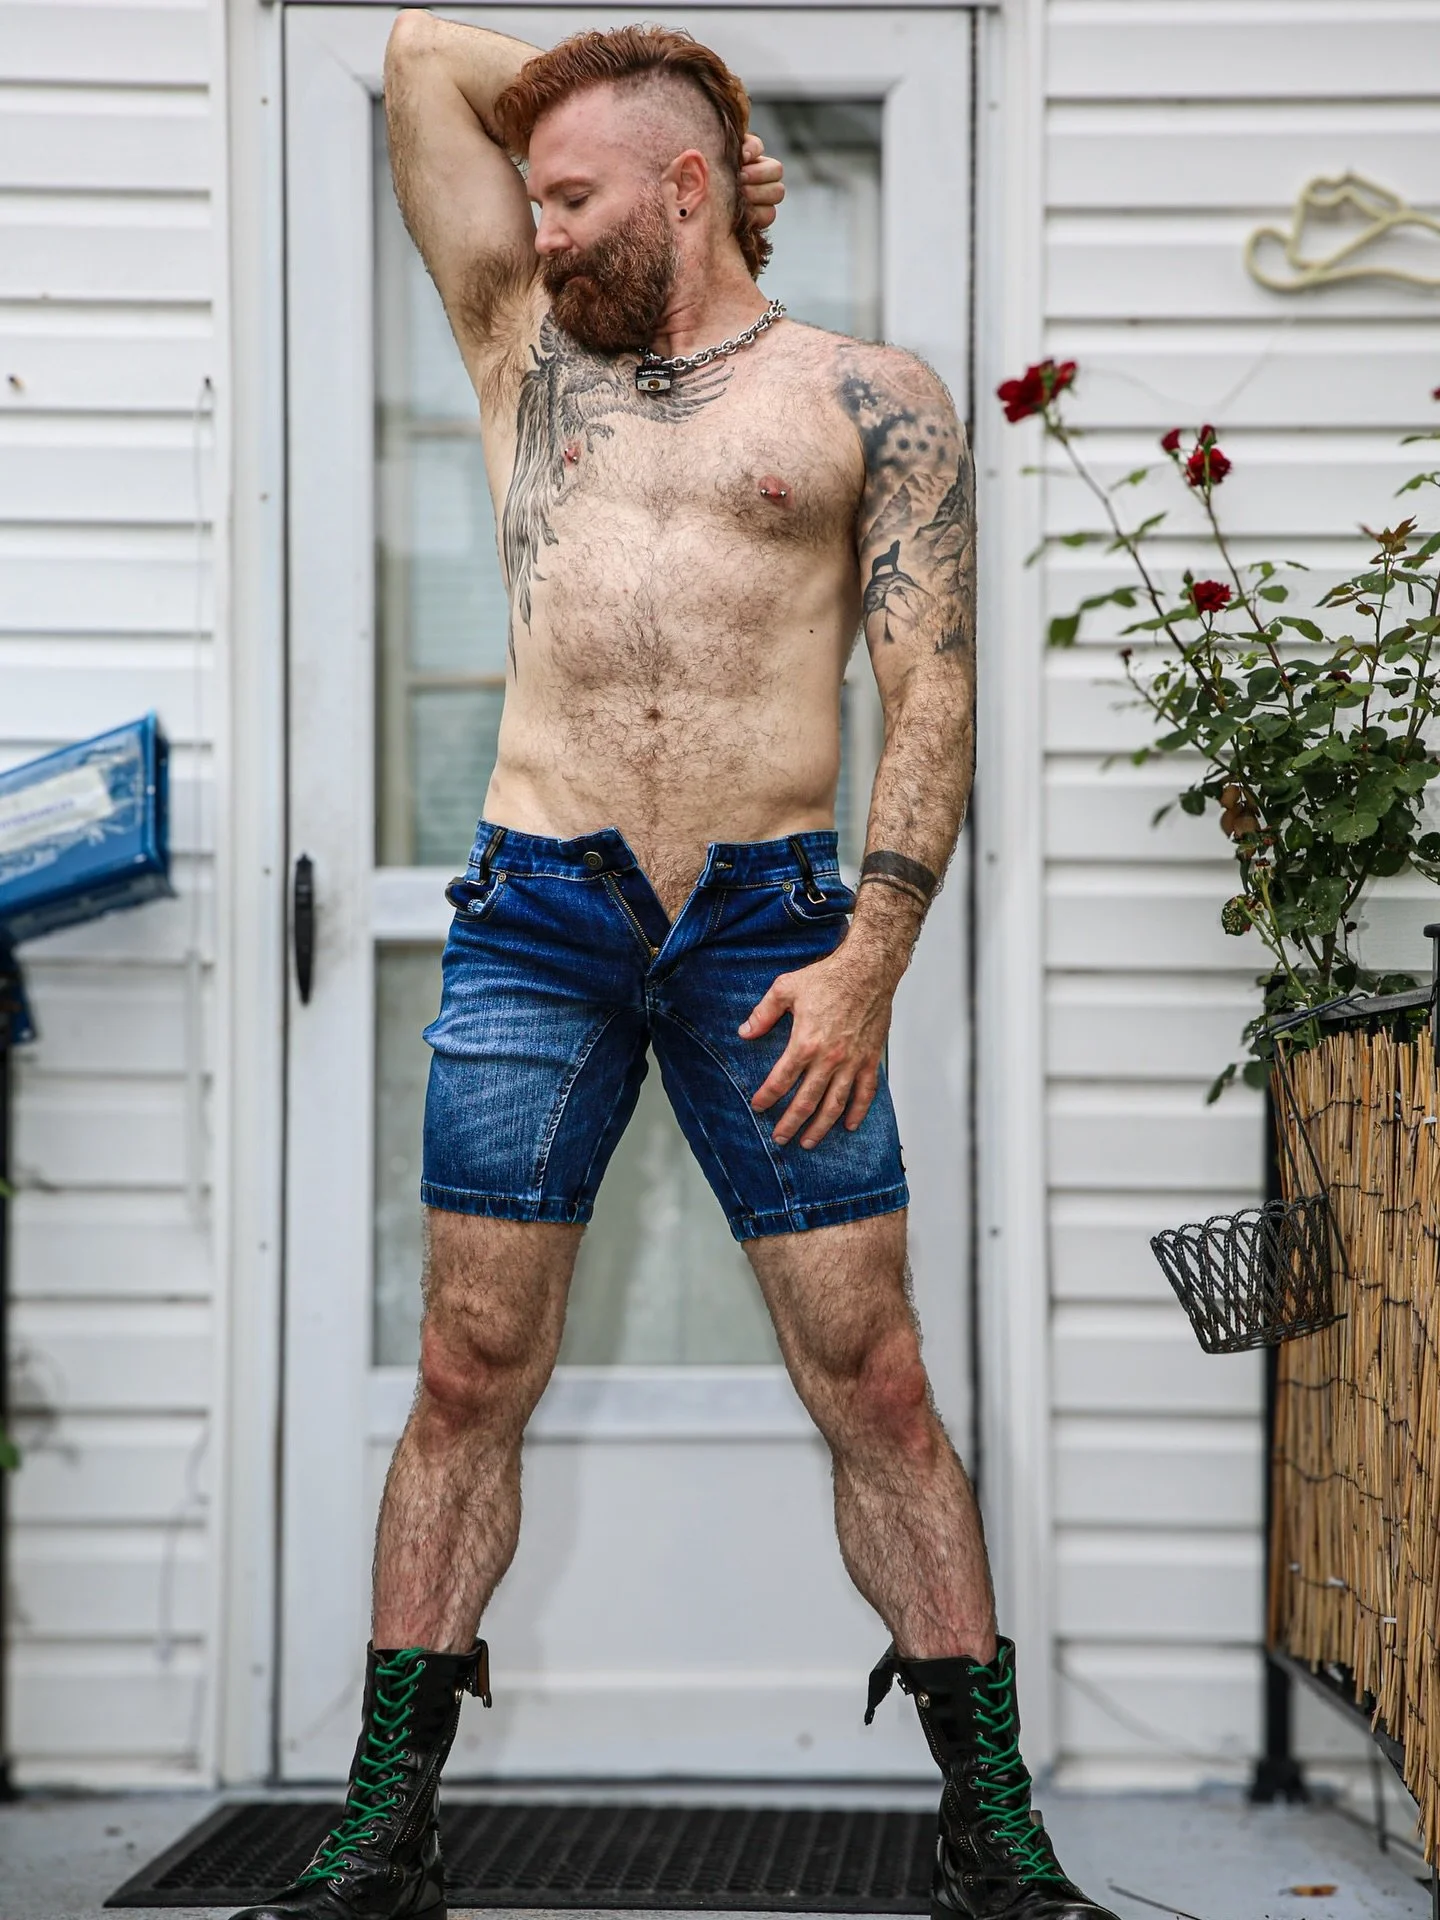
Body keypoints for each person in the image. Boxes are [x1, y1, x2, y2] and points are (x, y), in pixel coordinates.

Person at [237, 18, 1118, 1920]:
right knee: (467, 1365)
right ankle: (386, 1833)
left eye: (575, 195)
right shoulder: (520, 346)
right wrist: (661, 98)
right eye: (535, 195)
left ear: (688, 190)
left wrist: (872, 960)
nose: (540, 226)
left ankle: (995, 1836)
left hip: (774, 934)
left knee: (875, 1374)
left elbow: (934, 692)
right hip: (539, 915)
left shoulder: (870, 398)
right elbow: (418, 55)